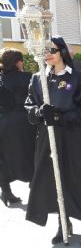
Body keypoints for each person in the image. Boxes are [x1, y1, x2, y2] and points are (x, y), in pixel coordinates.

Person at [24, 37, 81, 245]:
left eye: (52, 50)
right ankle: (63, 223)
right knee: (54, 180)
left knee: (78, 177)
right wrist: (40, 112)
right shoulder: (38, 78)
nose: (48, 54)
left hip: (72, 135)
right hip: (48, 136)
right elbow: (29, 106)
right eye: (44, 51)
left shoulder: (76, 78)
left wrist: (59, 117)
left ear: (62, 52)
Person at [0, 49, 35, 206]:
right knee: (31, 153)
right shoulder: (28, 77)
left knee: (4, 158)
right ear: (17, 62)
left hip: (3, 122)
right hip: (24, 121)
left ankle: (6, 191)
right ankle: (35, 190)